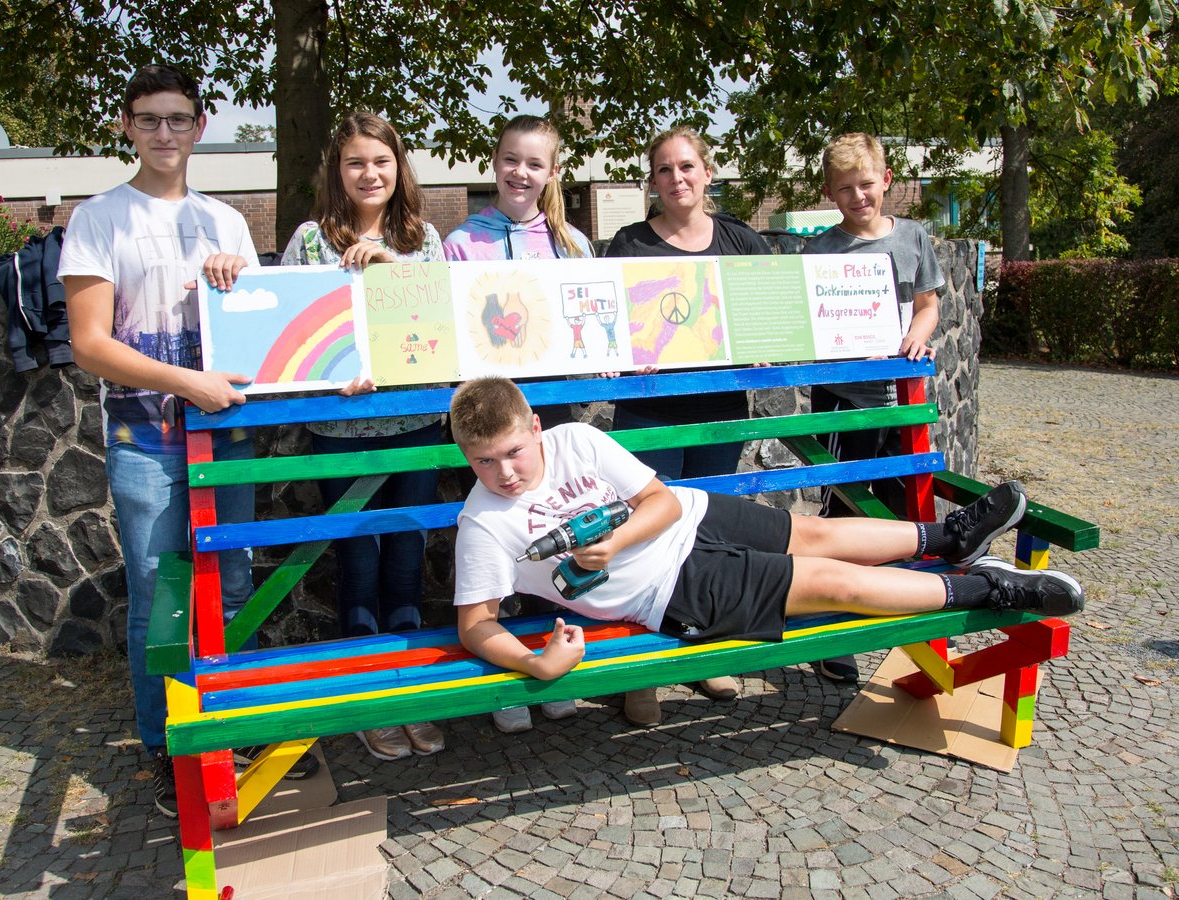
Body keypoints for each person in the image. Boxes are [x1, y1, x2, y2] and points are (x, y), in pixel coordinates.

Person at [448, 378, 1084, 725]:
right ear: (465, 457)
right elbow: (475, 625)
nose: (504, 472)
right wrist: (538, 667)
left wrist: (614, 542)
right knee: (833, 582)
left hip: (691, 517)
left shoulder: (574, 441)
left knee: (820, 534)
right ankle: (992, 589)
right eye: (484, 461)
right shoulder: (484, 524)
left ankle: (950, 539)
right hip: (671, 589)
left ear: (534, 426)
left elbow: (663, 502)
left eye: (513, 451)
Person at [59, 65, 317, 819]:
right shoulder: (99, 218)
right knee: (157, 598)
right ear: (126, 125)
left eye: (178, 119)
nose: (164, 133)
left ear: (199, 126)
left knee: (231, 584)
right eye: (149, 119)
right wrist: (185, 382)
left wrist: (238, 278)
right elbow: (89, 345)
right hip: (147, 439)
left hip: (224, 435)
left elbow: (258, 325)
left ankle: (222, 731)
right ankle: (166, 744)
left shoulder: (227, 221)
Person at [280, 111, 446, 763]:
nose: (369, 173)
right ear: (337, 171)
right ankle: (371, 703)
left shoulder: (424, 238)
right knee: (357, 559)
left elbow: (438, 328)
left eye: (381, 160)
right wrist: (327, 376)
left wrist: (390, 272)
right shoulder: (309, 241)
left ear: (398, 167)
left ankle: (408, 697)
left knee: (407, 557)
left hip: (416, 426)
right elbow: (293, 343)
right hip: (341, 429)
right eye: (356, 162)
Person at [602, 126, 772, 717]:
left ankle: (707, 650)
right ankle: (641, 665)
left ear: (707, 173)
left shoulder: (741, 241)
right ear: (652, 181)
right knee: (642, 527)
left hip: (717, 410)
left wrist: (762, 346)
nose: (677, 178)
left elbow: (768, 315)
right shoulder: (628, 243)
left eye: (687, 167)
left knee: (713, 528)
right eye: (665, 170)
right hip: (648, 408)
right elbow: (607, 322)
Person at [443, 114, 594, 733]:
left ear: (553, 172)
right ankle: (506, 680)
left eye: (535, 163)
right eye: (511, 159)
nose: (521, 172)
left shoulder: (572, 243)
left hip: (546, 414)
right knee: (492, 548)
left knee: (549, 539)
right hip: (487, 419)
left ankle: (551, 657)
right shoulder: (461, 242)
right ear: (495, 163)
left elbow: (590, 322)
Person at [802, 133, 946, 684]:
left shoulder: (913, 237)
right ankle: (833, 627)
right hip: (845, 402)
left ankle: (897, 611)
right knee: (844, 512)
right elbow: (808, 325)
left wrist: (917, 335)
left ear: (886, 181)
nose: (858, 197)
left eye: (866, 184)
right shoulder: (819, 251)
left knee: (903, 511)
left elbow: (929, 304)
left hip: (901, 398)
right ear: (829, 194)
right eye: (845, 189)